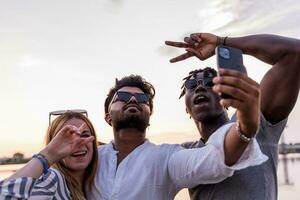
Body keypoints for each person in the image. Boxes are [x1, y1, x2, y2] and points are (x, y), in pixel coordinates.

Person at [87, 75, 267, 200]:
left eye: (143, 99)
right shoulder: (90, 158)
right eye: (123, 96)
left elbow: (215, 158)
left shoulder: (166, 158)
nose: (133, 100)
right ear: (107, 116)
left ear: (149, 116)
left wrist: (247, 124)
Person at [165, 33, 300, 199]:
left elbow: (294, 52)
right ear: (186, 107)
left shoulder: (254, 117)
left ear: (225, 91)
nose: (200, 87)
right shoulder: (183, 153)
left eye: (210, 82)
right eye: (191, 84)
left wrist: (222, 43)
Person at [0, 111, 98, 200]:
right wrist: (48, 154)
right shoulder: (53, 179)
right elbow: (5, 196)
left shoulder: (96, 184)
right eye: (69, 137)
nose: (78, 142)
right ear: (53, 144)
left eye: (85, 135)